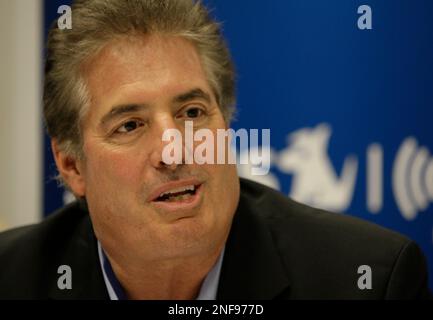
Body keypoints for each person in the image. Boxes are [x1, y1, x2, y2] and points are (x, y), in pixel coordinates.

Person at [0, 0, 431, 300]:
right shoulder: (12, 279)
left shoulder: (368, 280)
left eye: (192, 112)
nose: (175, 149)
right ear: (72, 164)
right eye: (130, 125)